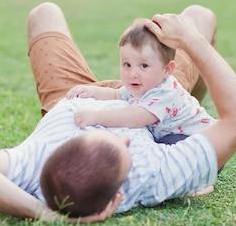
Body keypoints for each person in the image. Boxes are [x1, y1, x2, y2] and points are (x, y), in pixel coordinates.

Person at [0, 2, 236, 224]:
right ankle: (192, 109)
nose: (124, 141)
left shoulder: (32, 166)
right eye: (125, 146)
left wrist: (45, 213)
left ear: (62, 151)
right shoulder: (153, 174)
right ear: (117, 198)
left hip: (73, 97)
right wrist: (189, 40)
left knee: (44, 13)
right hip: (154, 95)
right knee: (198, 16)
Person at [66, 18, 216, 140]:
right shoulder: (142, 85)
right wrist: (92, 91)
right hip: (177, 135)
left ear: (167, 70)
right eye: (127, 64)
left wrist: (96, 117)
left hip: (202, 140)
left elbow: (136, 117)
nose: (133, 74)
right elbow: (116, 94)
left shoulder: (165, 94)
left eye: (144, 66)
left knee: (166, 145)